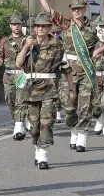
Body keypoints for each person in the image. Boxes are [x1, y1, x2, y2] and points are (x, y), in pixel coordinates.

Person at [32, 0, 104, 152]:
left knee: (85, 105)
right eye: (74, 8)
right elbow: (49, 11)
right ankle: (73, 130)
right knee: (69, 106)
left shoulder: (93, 27)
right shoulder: (66, 24)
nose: (76, 11)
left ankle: (81, 137)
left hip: (86, 71)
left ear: (84, 9)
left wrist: (98, 51)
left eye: (79, 8)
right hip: (68, 72)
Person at [15, 12, 67, 167]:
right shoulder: (28, 42)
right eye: (38, 26)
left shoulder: (57, 45)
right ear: (35, 28)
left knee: (47, 121)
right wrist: (26, 47)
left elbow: (66, 68)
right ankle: (37, 147)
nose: (41, 29)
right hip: (31, 89)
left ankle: (44, 154)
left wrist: (70, 87)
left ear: (49, 28)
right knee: (34, 125)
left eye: (44, 26)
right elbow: (18, 64)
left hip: (49, 89)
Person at [0, 12, 27, 140]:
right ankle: (19, 121)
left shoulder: (27, 40)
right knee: (10, 99)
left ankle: (19, 126)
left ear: (21, 25)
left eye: (18, 24)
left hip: (22, 75)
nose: (16, 27)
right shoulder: (4, 41)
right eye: (14, 24)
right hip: (8, 76)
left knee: (21, 100)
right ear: (10, 26)